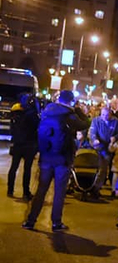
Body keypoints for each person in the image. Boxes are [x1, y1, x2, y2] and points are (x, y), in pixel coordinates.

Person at [23, 90, 90, 231]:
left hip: (46, 157)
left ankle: (30, 220)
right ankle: (56, 223)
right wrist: (79, 111)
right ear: (71, 101)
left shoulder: (47, 111)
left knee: (41, 190)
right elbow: (85, 124)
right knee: (59, 192)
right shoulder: (69, 115)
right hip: (62, 159)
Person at [7, 94, 40, 200]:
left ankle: (10, 190)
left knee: (13, 167)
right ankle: (26, 193)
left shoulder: (16, 113)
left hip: (17, 144)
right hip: (29, 144)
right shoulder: (33, 114)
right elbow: (37, 128)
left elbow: (12, 129)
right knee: (27, 169)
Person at [89, 106, 118, 197]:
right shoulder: (96, 120)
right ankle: (91, 186)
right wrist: (95, 139)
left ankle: (96, 188)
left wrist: (115, 137)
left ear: (110, 114)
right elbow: (92, 132)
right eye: (103, 114)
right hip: (97, 147)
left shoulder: (116, 122)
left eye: (107, 115)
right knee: (96, 168)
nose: (105, 117)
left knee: (103, 169)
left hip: (107, 149)